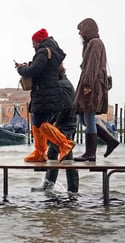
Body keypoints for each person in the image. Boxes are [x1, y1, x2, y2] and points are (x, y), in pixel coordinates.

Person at [16, 28, 75, 163]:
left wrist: (21, 69)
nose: (32, 45)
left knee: (42, 124)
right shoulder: (51, 52)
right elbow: (42, 69)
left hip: (44, 93)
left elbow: (34, 71)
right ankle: (40, 153)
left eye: (33, 42)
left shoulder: (43, 51)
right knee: (36, 125)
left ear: (38, 41)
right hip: (45, 93)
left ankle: (64, 144)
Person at [74, 18, 118, 162]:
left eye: (81, 30)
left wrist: (87, 86)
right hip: (91, 84)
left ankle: (90, 153)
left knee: (89, 118)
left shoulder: (95, 43)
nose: (80, 33)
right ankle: (110, 141)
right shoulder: (92, 44)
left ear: (88, 29)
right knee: (83, 117)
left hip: (91, 86)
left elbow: (92, 66)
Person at [32, 65, 79, 194]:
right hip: (62, 124)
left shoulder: (63, 85)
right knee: (52, 154)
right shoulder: (62, 83)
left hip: (65, 126)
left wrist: (56, 125)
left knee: (67, 155)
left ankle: (73, 190)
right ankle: (48, 186)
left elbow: (66, 108)